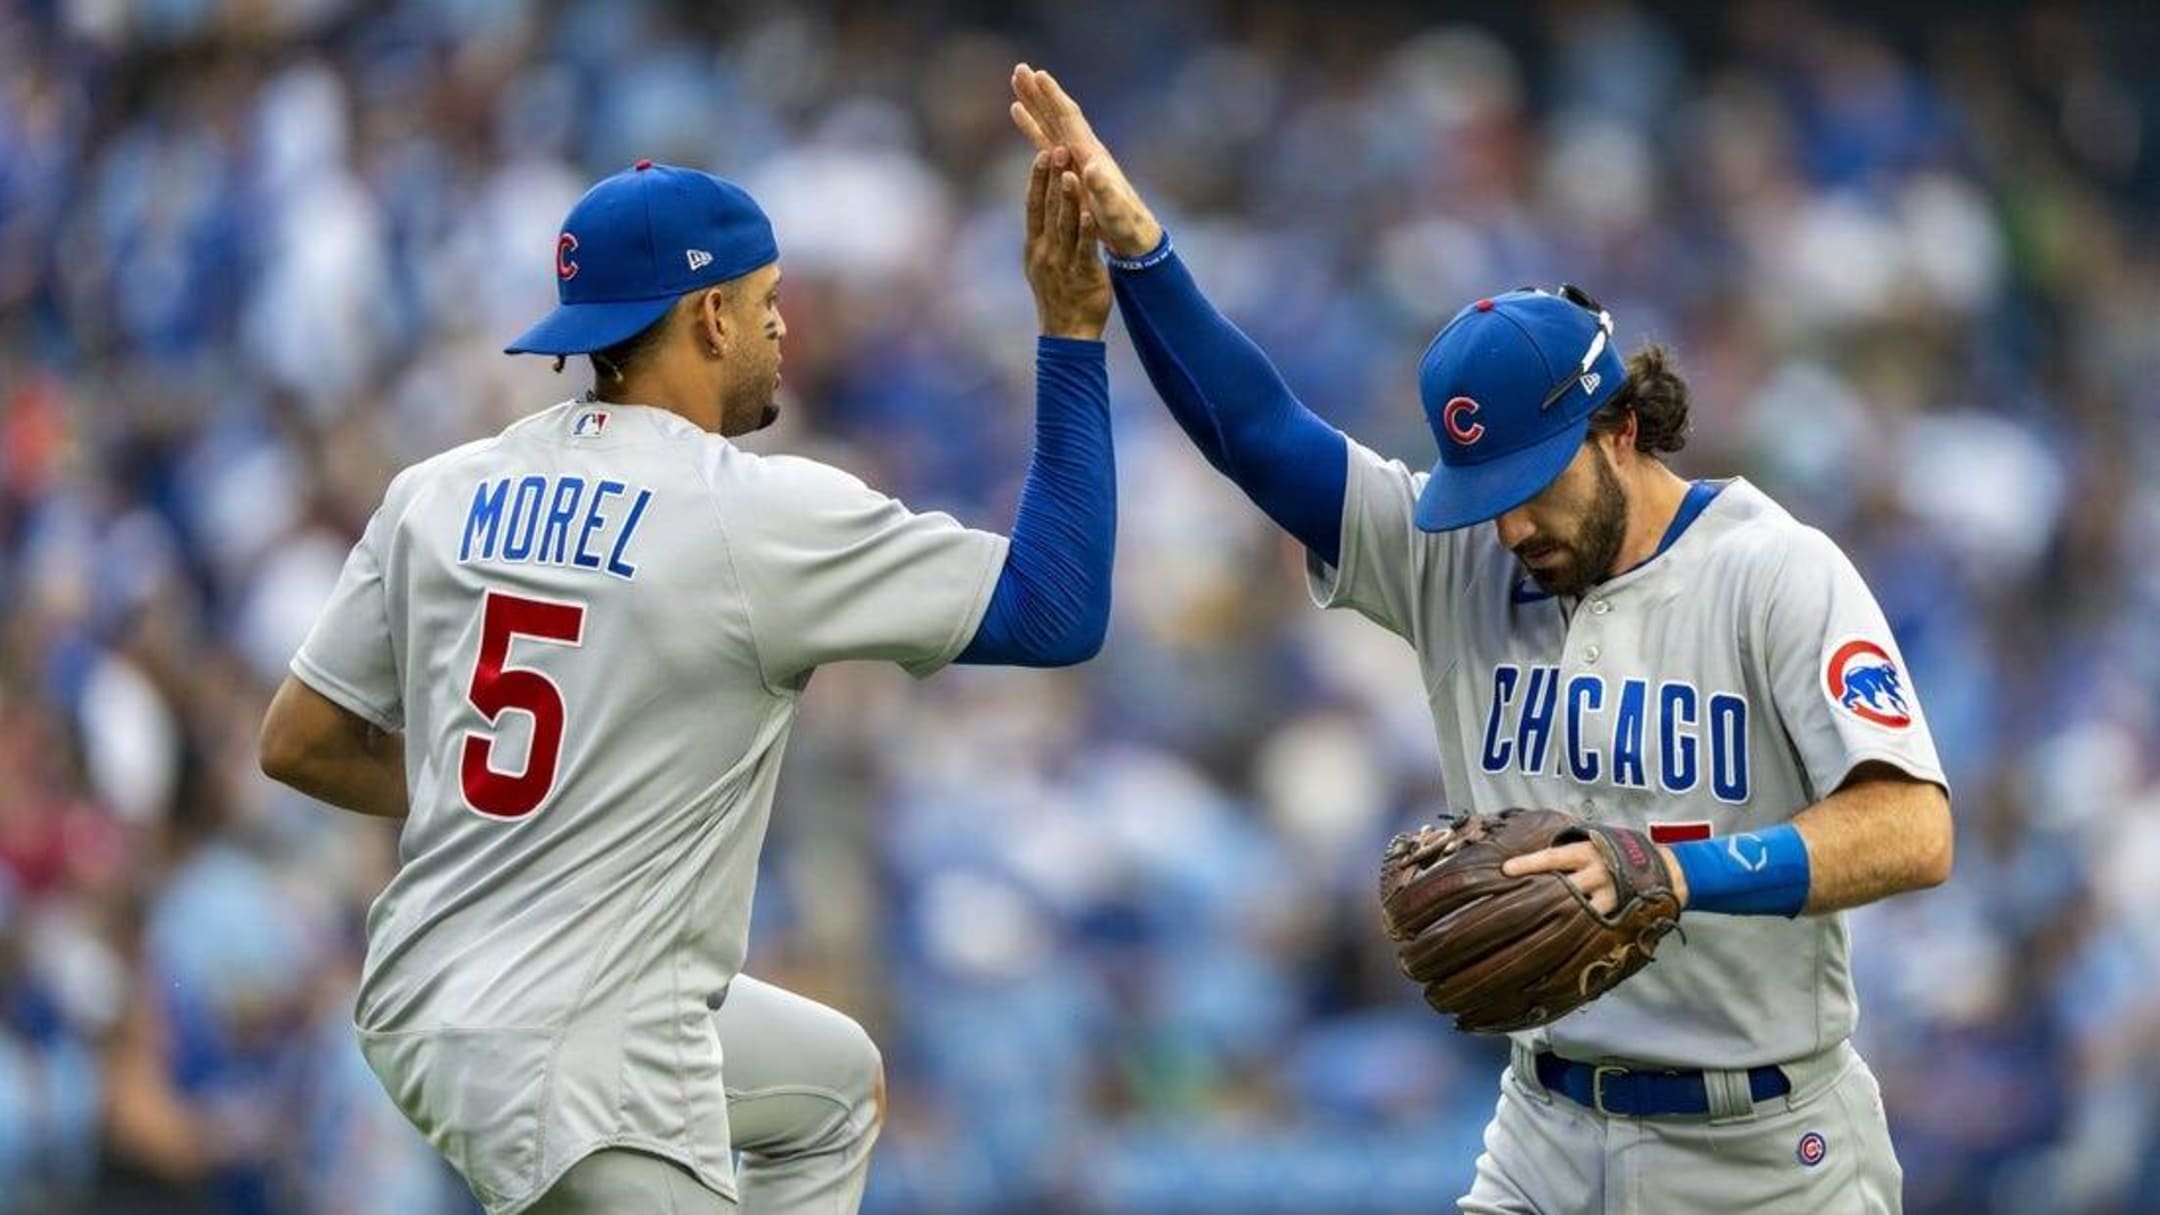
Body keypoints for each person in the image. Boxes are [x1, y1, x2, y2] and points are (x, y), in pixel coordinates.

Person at [1009, 64, 1952, 1213]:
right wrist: (1140, 248)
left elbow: (1913, 828)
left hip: (1764, 1153)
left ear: (1617, 429)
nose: (1507, 522)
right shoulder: (1461, 553)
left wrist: (1672, 874)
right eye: (1481, 488)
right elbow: (1258, 433)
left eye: (1529, 482)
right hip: (1542, 1137)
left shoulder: (1772, 571)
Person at [257, 151, 1116, 1215]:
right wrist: (1072, 334)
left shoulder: (439, 492)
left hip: (428, 994)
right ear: (709, 315)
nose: (781, 329)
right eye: (765, 302)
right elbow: (1059, 605)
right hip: (583, 1052)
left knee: (829, 1092)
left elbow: (298, 740)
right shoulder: (745, 513)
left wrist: (495, 799)